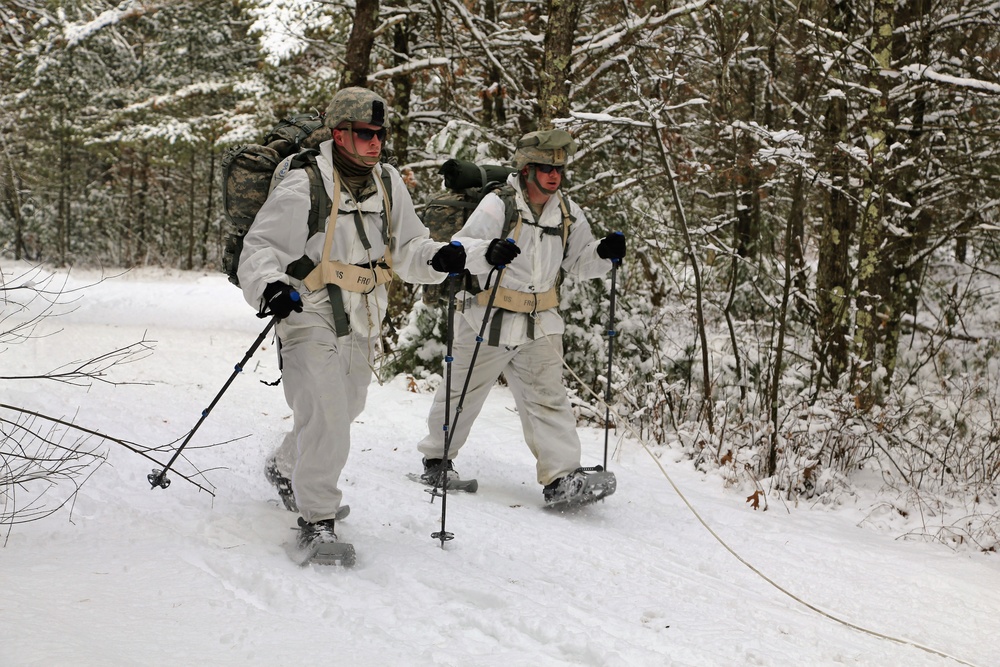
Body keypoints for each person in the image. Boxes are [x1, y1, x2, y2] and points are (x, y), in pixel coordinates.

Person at [237, 87, 467, 561]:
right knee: (326, 413)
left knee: (346, 406)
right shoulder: (305, 182)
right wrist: (271, 287)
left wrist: (438, 257)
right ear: (339, 134)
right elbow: (260, 248)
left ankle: (285, 468)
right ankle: (317, 519)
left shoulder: (387, 182)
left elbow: (409, 247)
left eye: (380, 133)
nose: (375, 142)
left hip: (364, 312)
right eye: (365, 134)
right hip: (308, 309)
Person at [415, 129, 627, 507]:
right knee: (462, 391)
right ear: (527, 169)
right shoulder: (500, 204)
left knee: (548, 399)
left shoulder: (566, 210)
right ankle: (437, 459)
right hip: (487, 316)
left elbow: (579, 262)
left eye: (559, 169)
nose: (554, 175)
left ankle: (562, 477)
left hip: (540, 321)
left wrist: (603, 252)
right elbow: (464, 245)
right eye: (545, 167)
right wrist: (490, 251)